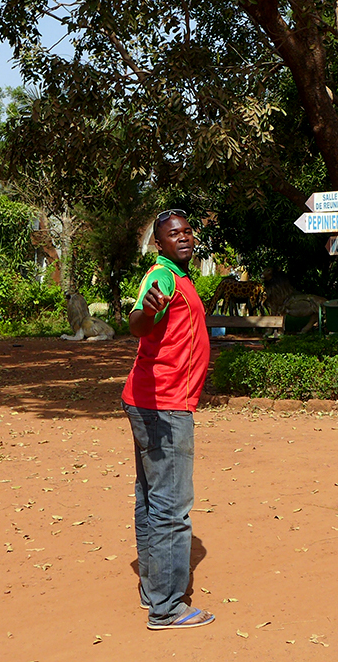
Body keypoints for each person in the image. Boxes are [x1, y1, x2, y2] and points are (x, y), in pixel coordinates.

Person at [123, 209, 215, 630]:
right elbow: (137, 322)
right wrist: (147, 311)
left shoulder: (179, 277)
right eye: (173, 234)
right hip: (164, 404)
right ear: (159, 244)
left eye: (187, 231)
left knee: (151, 497)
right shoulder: (160, 277)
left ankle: (151, 589)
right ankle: (166, 607)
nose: (183, 238)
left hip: (152, 400)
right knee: (171, 506)